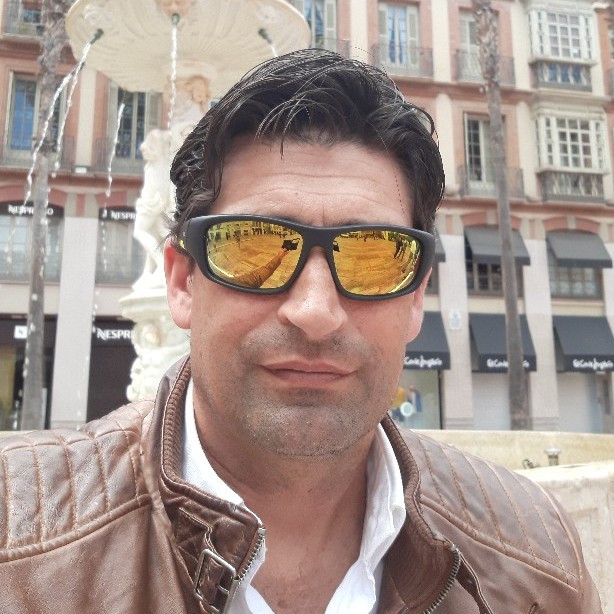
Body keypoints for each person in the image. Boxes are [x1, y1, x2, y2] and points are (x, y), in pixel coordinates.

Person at [0, 49, 601, 614]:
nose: (315, 311)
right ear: (183, 282)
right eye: (254, 247)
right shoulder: (18, 545)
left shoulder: (536, 562)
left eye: (373, 255)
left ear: (416, 296)